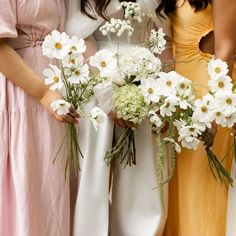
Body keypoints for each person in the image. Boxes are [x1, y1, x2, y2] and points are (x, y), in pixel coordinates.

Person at [66, 0, 173, 235]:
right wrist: (106, 94)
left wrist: (166, 92)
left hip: (144, 79)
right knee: (94, 170)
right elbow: (80, 36)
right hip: (97, 75)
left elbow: (162, 36)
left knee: (142, 171)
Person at [156, 0, 236, 235]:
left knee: (202, 187)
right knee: (176, 187)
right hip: (177, 94)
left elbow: (226, 48)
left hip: (208, 90)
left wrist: (212, 109)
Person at [0, 0, 78, 235]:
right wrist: (42, 92)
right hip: (23, 92)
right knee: (28, 185)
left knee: (51, 186)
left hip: (54, 88)